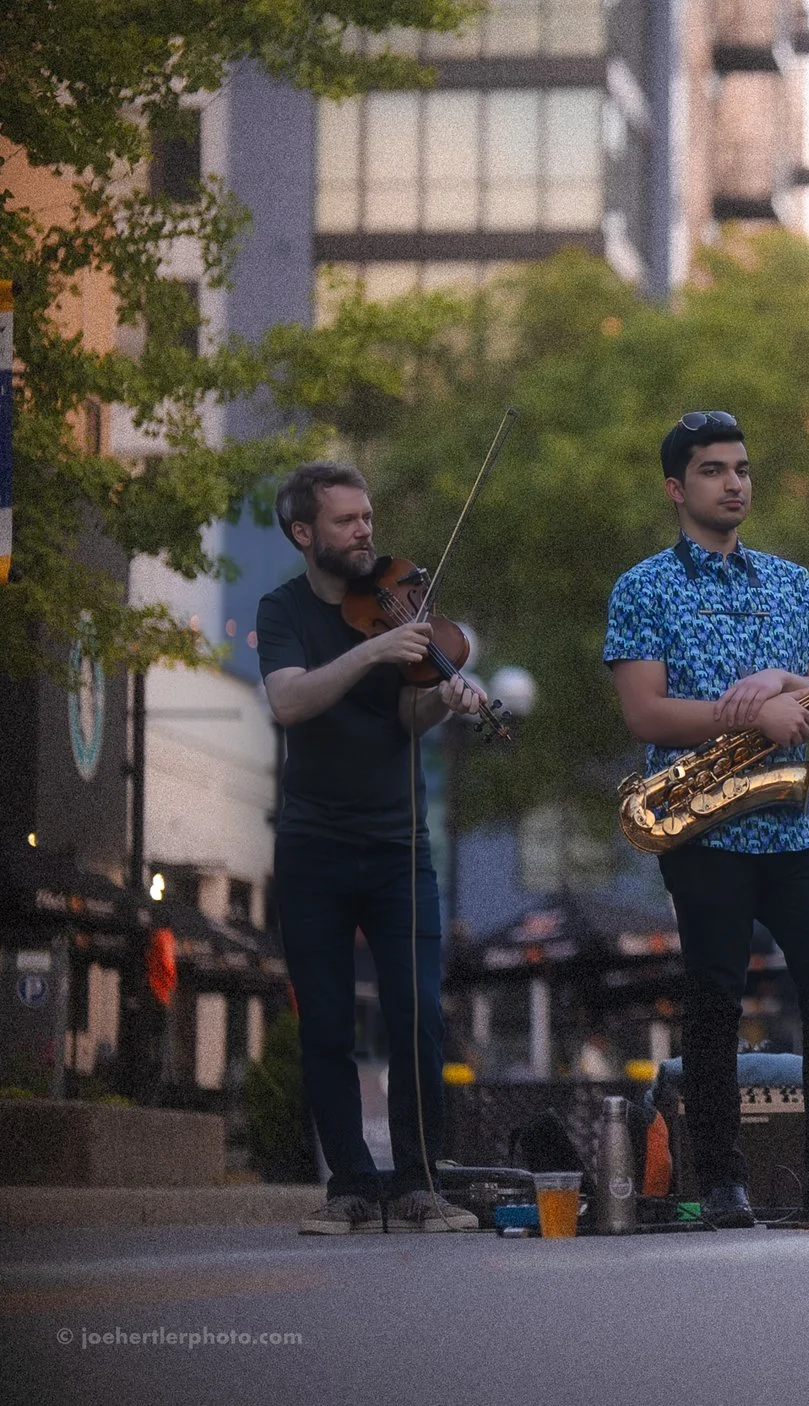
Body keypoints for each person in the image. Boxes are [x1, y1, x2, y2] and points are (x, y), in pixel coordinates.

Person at [604, 410, 809, 1228]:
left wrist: (786, 679)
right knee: (713, 997)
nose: (735, 483)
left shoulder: (792, 582)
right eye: (715, 470)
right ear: (677, 489)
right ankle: (719, 1179)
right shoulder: (643, 587)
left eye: (743, 468)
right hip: (702, 822)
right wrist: (748, 718)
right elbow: (645, 715)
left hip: (796, 822)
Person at [259, 461, 487, 1235]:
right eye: (346, 520)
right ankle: (350, 1188)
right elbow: (289, 700)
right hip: (313, 845)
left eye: (367, 517)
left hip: (399, 844)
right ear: (304, 533)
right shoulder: (283, 608)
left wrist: (442, 700)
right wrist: (373, 653)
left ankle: (420, 1183)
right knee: (324, 1021)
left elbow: (405, 718)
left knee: (418, 1014)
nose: (365, 531)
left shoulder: (395, 609)